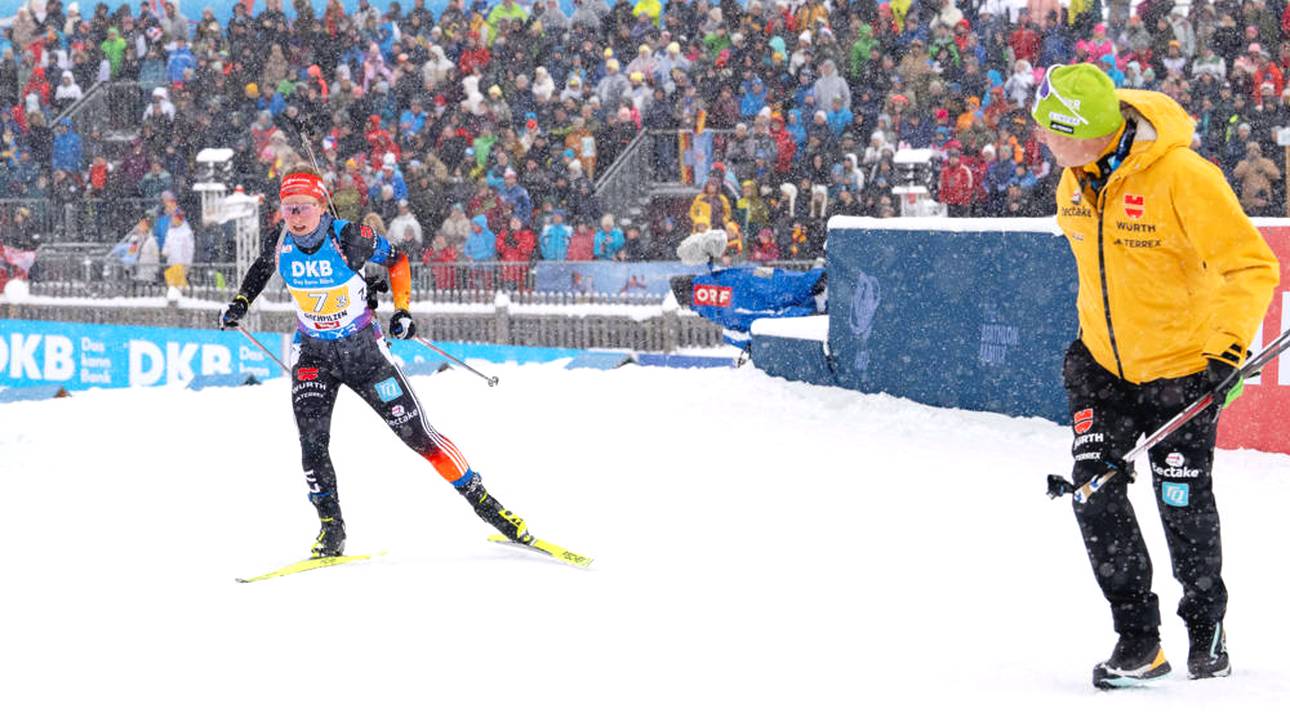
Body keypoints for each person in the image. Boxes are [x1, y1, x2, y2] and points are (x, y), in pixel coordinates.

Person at [1032, 63, 1279, 688]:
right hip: (1102, 370)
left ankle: (1207, 630)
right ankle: (1138, 639)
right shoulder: (1072, 181)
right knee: (1093, 493)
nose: (1040, 141)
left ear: (1085, 132)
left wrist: (1224, 354)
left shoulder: (1184, 177)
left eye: (1049, 132)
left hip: (1182, 371)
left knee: (1183, 502)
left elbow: (1249, 266)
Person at [218, 165, 532, 558]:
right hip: (314, 353)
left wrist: (402, 310)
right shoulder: (279, 238)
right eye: (288, 207)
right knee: (312, 444)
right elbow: (263, 268)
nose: (295, 217)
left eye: (303, 207)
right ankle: (331, 529)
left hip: (364, 353)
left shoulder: (350, 236)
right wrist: (240, 303)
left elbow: (398, 261)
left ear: (321, 205)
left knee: (418, 436)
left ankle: (488, 506)